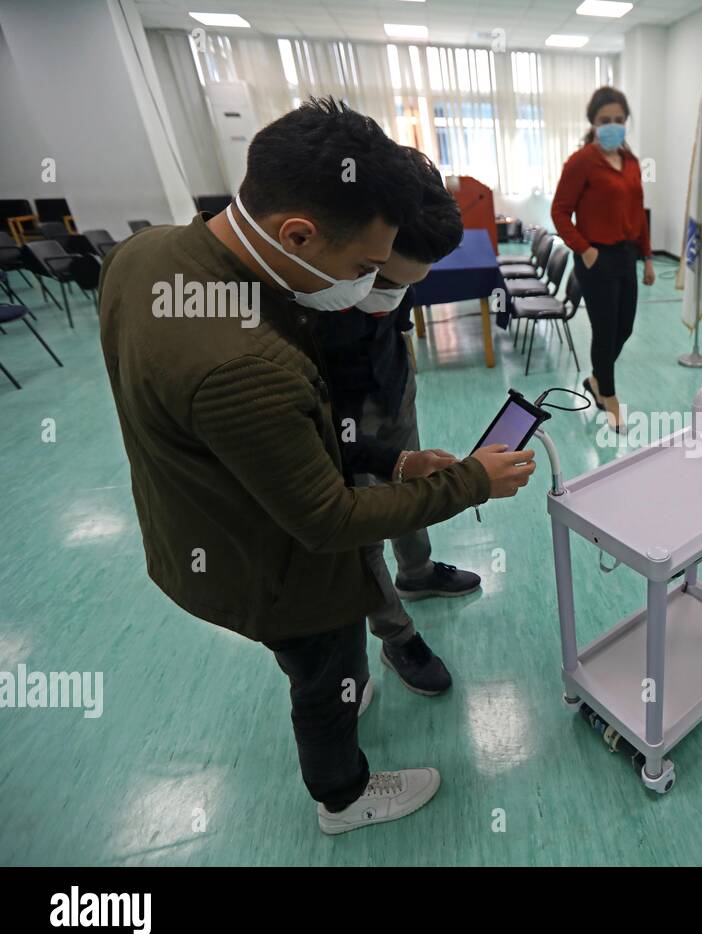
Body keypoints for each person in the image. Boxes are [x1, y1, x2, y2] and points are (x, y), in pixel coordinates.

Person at [98, 98, 535, 834]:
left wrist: (391, 462)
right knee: (323, 667)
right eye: (364, 268)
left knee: (324, 670)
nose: (368, 290)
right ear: (297, 233)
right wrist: (467, 483)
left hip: (204, 520)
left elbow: (290, 439)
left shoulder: (147, 257)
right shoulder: (247, 361)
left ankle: (340, 689)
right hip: (273, 566)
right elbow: (328, 519)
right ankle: (344, 795)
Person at [316, 148, 475, 698]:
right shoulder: (309, 302)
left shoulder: (393, 273)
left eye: (405, 287)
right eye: (379, 280)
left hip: (392, 384)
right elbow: (329, 440)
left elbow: (392, 309)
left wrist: (403, 369)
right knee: (364, 527)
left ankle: (418, 571)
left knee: (412, 482)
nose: (388, 297)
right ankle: (394, 633)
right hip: (341, 413)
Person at [551, 85, 654, 433]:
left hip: (626, 255)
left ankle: (596, 380)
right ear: (593, 123)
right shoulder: (581, 162)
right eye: (604, 120)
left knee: (623, 328)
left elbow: (638, 213)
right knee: (605, 330)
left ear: (626, 122)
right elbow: (560, 211)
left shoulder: (631, 162)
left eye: (619, 119)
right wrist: (585, 249)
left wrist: (649, 257)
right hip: (595, 258)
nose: (613, 125)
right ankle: (609, 397)